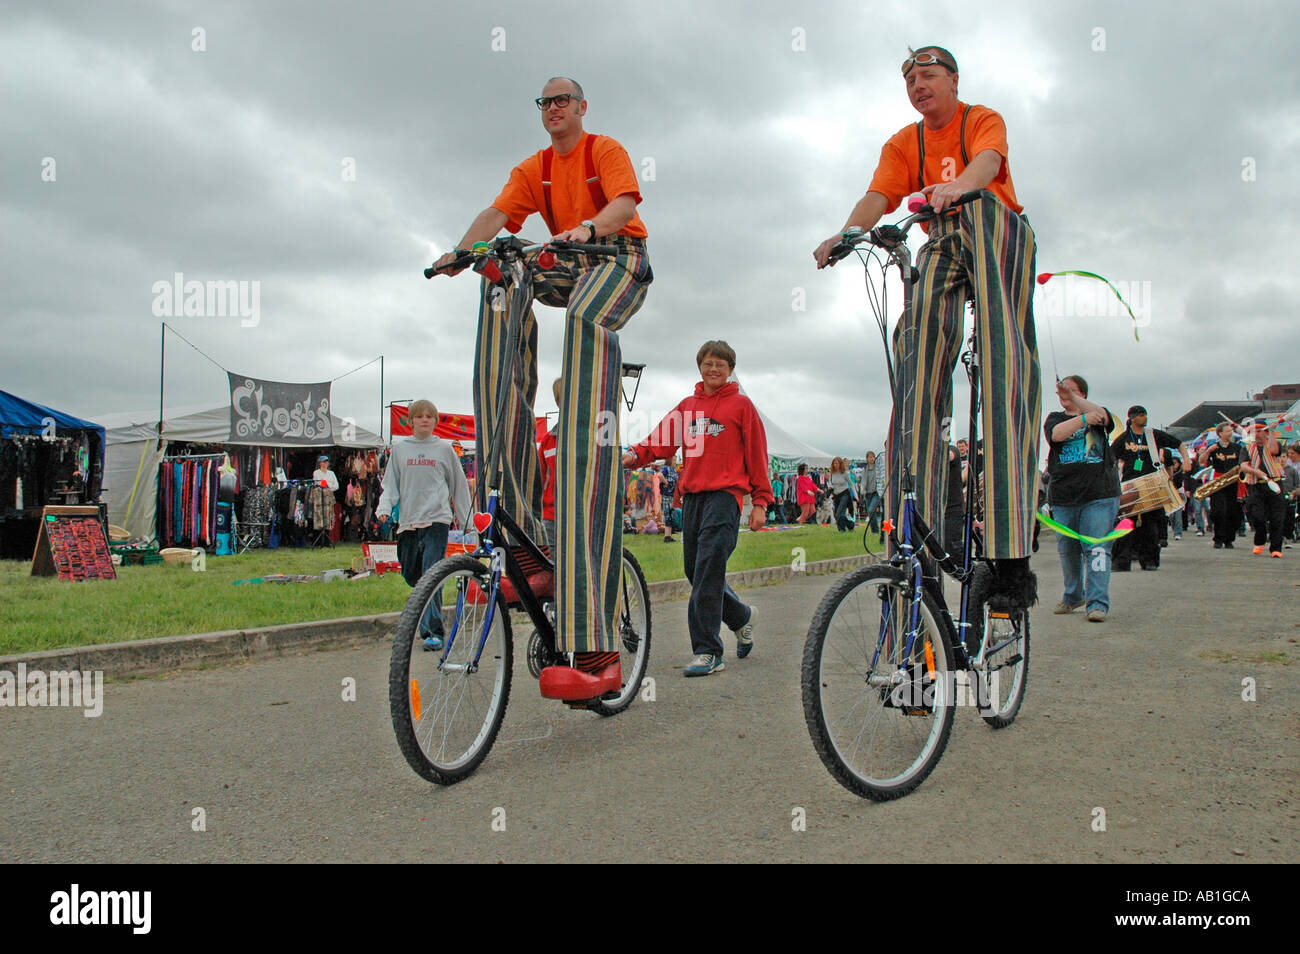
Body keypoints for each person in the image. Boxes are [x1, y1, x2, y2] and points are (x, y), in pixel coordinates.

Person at [431, 77, 653, 702]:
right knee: (501, 277)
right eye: (545, 102)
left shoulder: (602, 150)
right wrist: (462, 250)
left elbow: (624, 207)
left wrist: (585, 230)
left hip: (617, 259)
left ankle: (598, 646)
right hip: (564, 259)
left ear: (582, 108)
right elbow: (496, 217)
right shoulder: (533, 168)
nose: (555, 108)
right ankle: (527, 543)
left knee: (583, 325)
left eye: (564, 100)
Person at [814, 45, 1040, 607]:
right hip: (940, 236)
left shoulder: (980, 120)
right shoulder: (903, 142)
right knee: (913, 358)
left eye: (930, 76)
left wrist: (961, 185)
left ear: (954, 81)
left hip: (994, 227)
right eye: (911, 79)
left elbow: (988, 164)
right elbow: (878, 195)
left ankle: (1010, 559)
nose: (919, 85)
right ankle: (915, 537)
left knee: (1003, 360)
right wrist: (845, 235)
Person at [622, 340, 771, 677]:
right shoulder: (688, 406)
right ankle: (741, 617)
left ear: (731, 369)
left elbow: (758, 456)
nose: (714, 369)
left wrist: (760, 502)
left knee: (707, 569)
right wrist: (635, 454)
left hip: (725, 497)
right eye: (708, 363)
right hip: (693, 500)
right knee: (696, 570)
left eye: (721, 364)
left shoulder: (742, 407)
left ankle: (707, 651)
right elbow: (661, 438)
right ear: (699, 366)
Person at [377, 399, 473, 651]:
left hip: (437, 520)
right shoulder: (399, 450)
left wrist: (466, 522)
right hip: (408, 522)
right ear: (410, 421)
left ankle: (433, 631)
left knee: (432, 574)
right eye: (419, 416)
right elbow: (390, 484)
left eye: (429, 416)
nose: (424, 420)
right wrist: (385, 507)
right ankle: (425, 615)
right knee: (413, 575)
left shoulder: (444, 449)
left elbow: (459, 486)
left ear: (435, 421)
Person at [1043, 376, 1120, 622]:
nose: (1065, 396)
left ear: (1083, 393)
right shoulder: (1055, 418)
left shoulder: (1099, 415)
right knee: (1068, 551)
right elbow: (1057, 435)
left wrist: (1077, 402)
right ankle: (1073, 595)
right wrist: (1083, 418)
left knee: (1096, 549)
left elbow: (1105, 417)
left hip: (1099, 495)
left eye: (1072, 391)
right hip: (1064, 496)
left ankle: (1097, 603)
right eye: (1062, 392)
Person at [1110, 405, 1189, 571]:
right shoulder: (1124, 438)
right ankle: (1121, 561)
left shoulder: (1153, 436)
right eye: (1140, 415)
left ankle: (1150, 560)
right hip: (1131, 486)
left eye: (1145, 414)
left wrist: (1186, 460)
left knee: (1150, 525)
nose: (1144, 417)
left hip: (1152, 484)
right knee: (1125, 524)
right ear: (1131, 418)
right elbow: (1110, 459)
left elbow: (1179, 443)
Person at [1240, 419, 1287, 558]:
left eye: (1260, 430)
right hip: (1256, 485)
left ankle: (1276, 548)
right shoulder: (1246, 448)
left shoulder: (1274, 443)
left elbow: (1274, 450)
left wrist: (1272, 431)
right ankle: (1260, 540)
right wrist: (1257, 472)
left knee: (1277, 518)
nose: (1257, 434)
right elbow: (1243, 466)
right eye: (1254, 431)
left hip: (1275, 483)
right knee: (1257, 515)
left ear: (1266, 432)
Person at [1197, 423, 1243, 550]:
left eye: (1231, 431)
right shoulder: (1214, 447)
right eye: (1227, 431)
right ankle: (1218, 538)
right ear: (1220, 434)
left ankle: (1229, 539)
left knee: (1233, 512)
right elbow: (1201, 461)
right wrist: (1208, 451)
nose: (1230, 433)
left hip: (1233, 482)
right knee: (1218, 511)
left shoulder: (1237, 447)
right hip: (1218, 482)